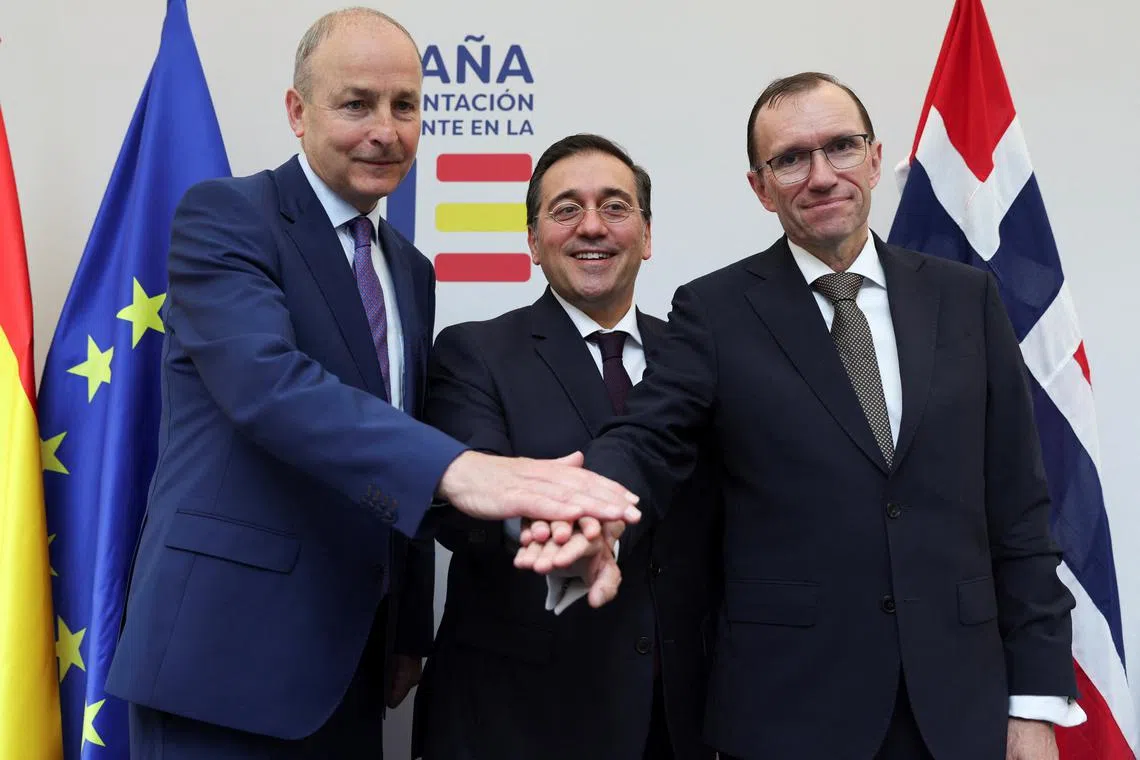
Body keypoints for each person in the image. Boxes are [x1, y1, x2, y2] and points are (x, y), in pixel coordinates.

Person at [104, 10, 638, 758]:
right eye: (356, 103)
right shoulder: (228, 216)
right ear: (297, 111)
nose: (385, 130)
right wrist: (467, 471)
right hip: (224, 662)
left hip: (353, 666)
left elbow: (398, 436)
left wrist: (408, 627)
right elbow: (268, 386)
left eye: (405, 105)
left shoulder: (409, 272)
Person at [520, 73, 1082, 760]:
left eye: (841, 147)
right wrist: (586, 505)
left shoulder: (967, 300)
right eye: (790, 158)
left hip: (959, 706)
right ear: (760, 186)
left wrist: (1034, 701)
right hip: (792, 712)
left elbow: (1020, 511)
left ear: (875, 159)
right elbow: (647, 436)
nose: (820, 176)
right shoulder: (716, 311)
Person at [411, 134, 722, 760]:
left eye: (614, 206)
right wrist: (553, 533)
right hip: (521, 718)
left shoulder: (697, 355)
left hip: (676, 722)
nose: (592, 227)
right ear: (532, 241)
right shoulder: (473, 353)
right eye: (565, 208)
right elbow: (462, 506)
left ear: (647, 234)